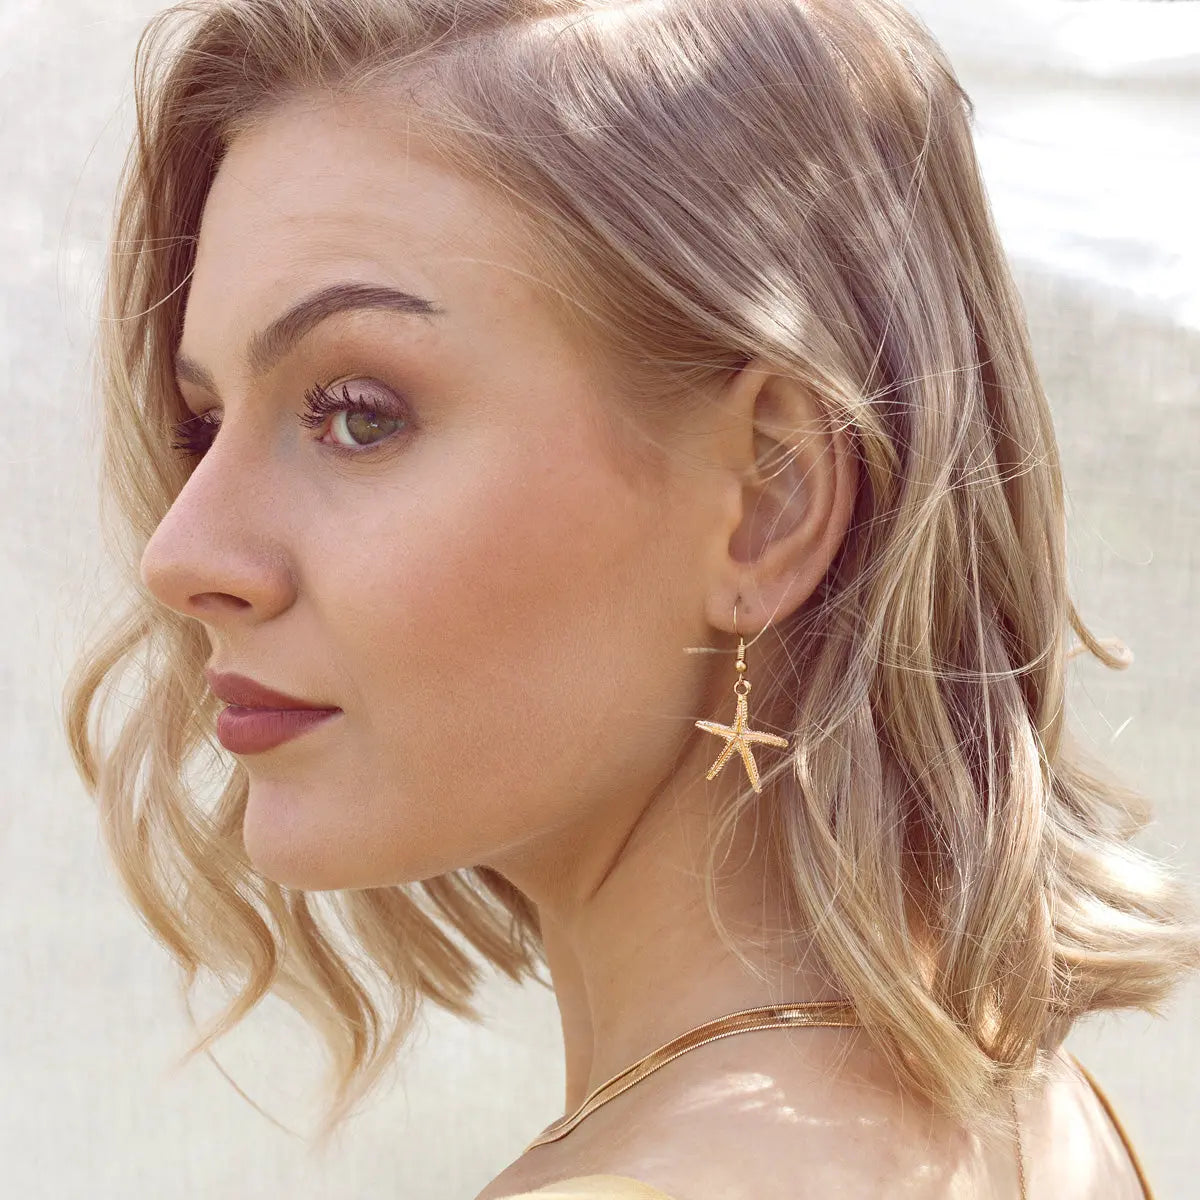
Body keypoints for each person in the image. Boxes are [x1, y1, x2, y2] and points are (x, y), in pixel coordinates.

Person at [62, 0, 1199, 1196]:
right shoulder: (1039, 1113)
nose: (181, 553)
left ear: (769, 499)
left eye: (358, 417)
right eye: (203, 423)